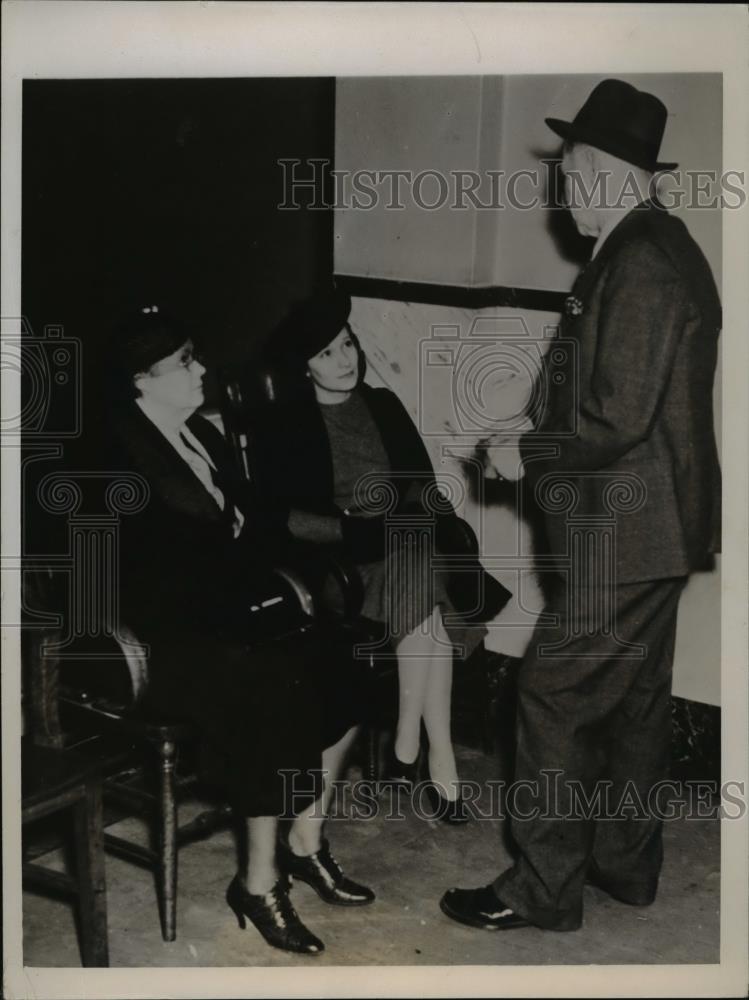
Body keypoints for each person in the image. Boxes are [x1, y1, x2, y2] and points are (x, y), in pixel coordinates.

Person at [441, 79, 721, 930]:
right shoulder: (658, 247)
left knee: (551, 695)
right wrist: (530, 428)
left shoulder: (637, 260)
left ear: (597, 171)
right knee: (634, 705)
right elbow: (609, 398)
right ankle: (623, 865)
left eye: (565, 174)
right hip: (652, 526)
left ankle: (542, 889)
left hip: (623, 530)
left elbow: (615, 413)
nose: (560, 192)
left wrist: (521, 451)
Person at [105, 304, 374, 956]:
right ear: (142, 380)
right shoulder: (119, 457)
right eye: (185, 363)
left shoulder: (200, 435)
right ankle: (258, 883)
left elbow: (258, 522)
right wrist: (236, 576)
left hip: (225, 614)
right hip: (159, 638)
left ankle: (305, 842)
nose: (203, 370)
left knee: (349, 653)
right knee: (271, 678)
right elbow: (135, 580)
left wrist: (354, 535)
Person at [256, 288, 510, 824]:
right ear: (304, 368)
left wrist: (432, 506)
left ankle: (413, 749)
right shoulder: (290, 425)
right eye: (326, 354)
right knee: (425, 581)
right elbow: (286, 520)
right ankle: (423, 754)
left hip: (402, 550)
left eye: (346, 345)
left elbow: (418, 483)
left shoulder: (383, 405)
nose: (344, 360)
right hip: (341, 566)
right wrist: (360, 533)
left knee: (420, 567)